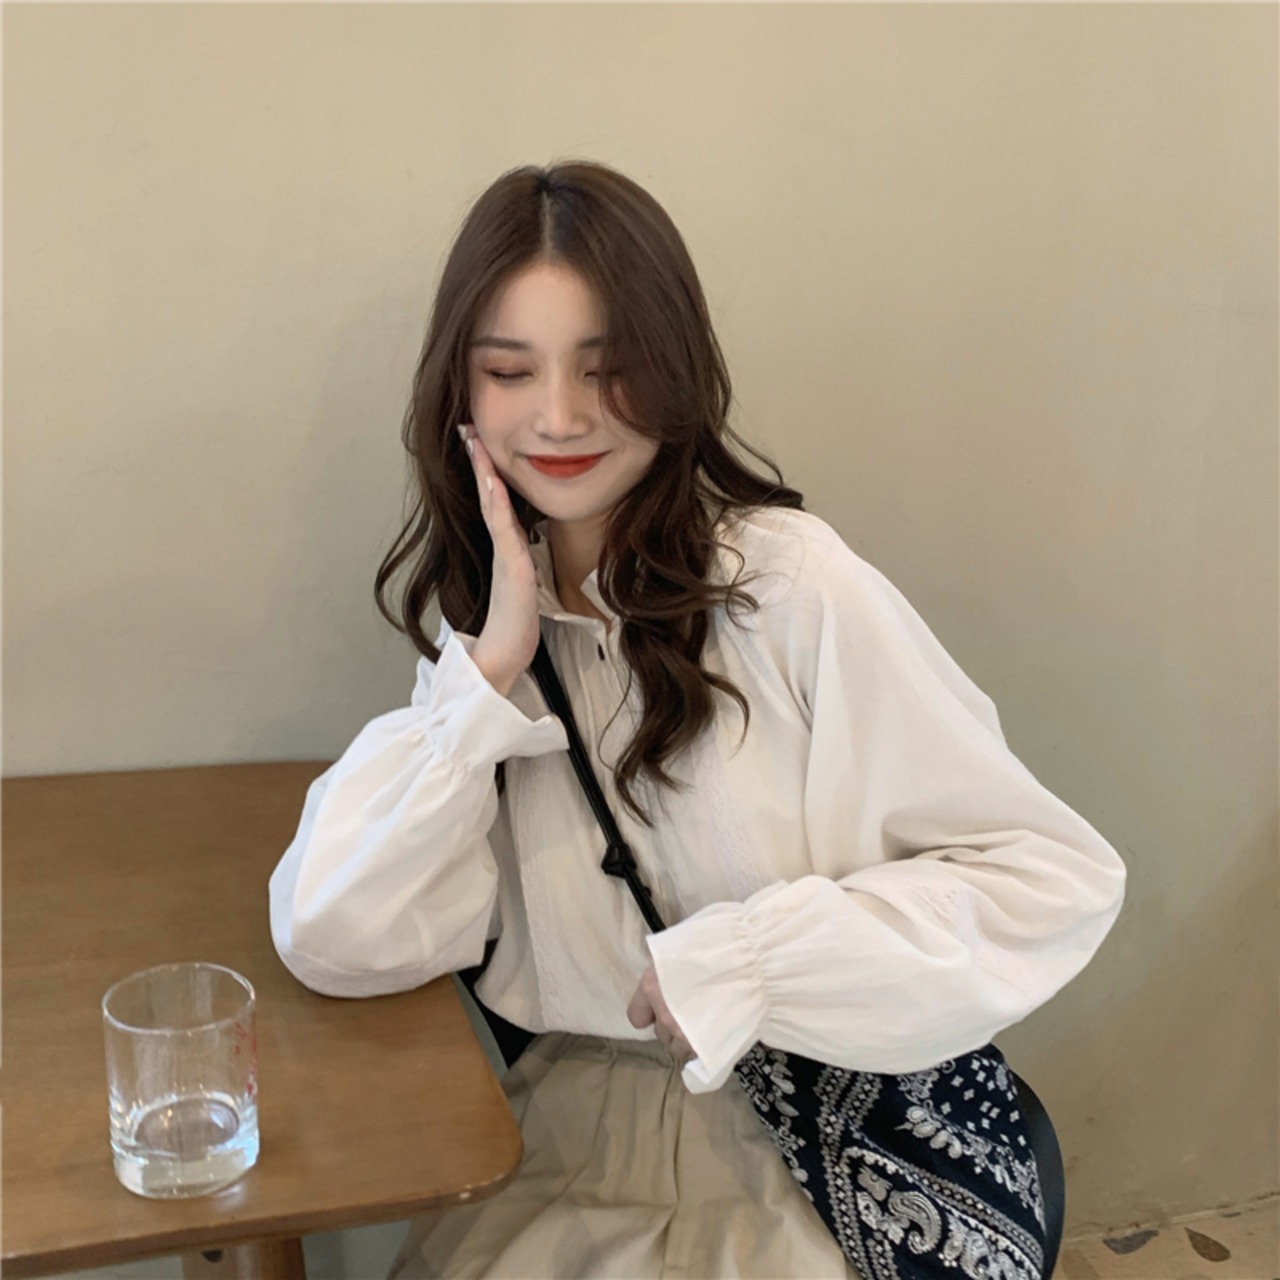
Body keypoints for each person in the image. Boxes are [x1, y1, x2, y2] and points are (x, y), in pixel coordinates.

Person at [269, 161, 1126, 1280]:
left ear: (673, 370)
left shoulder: (788, 590)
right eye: (510, 371)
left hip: (805, 1143)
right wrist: (486, 680)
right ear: (462, 396)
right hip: (565, 1137)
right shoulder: (487, 646)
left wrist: (750, 966)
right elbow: (337, 940)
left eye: (608, 368)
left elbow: (1043, 877)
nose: (560, 416)